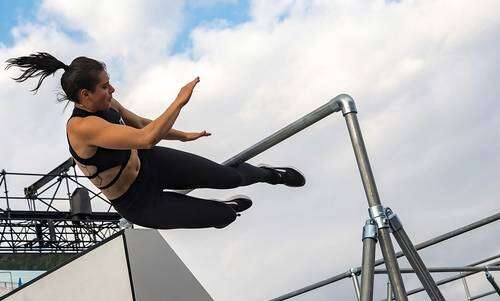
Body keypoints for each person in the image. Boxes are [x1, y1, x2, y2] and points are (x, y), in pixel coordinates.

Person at [5, 52, 305, 229]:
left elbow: (141, 124)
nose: (112, 90)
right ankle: (222, 210)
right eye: (105, 86)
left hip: (151, 164)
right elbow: (146, 138)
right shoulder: (82, 128)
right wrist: (179, 100)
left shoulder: (106, 105)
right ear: (85, 95)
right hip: (137, 201)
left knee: (229, 177)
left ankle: (270, 174)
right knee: (223, 217)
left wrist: (183, 136)